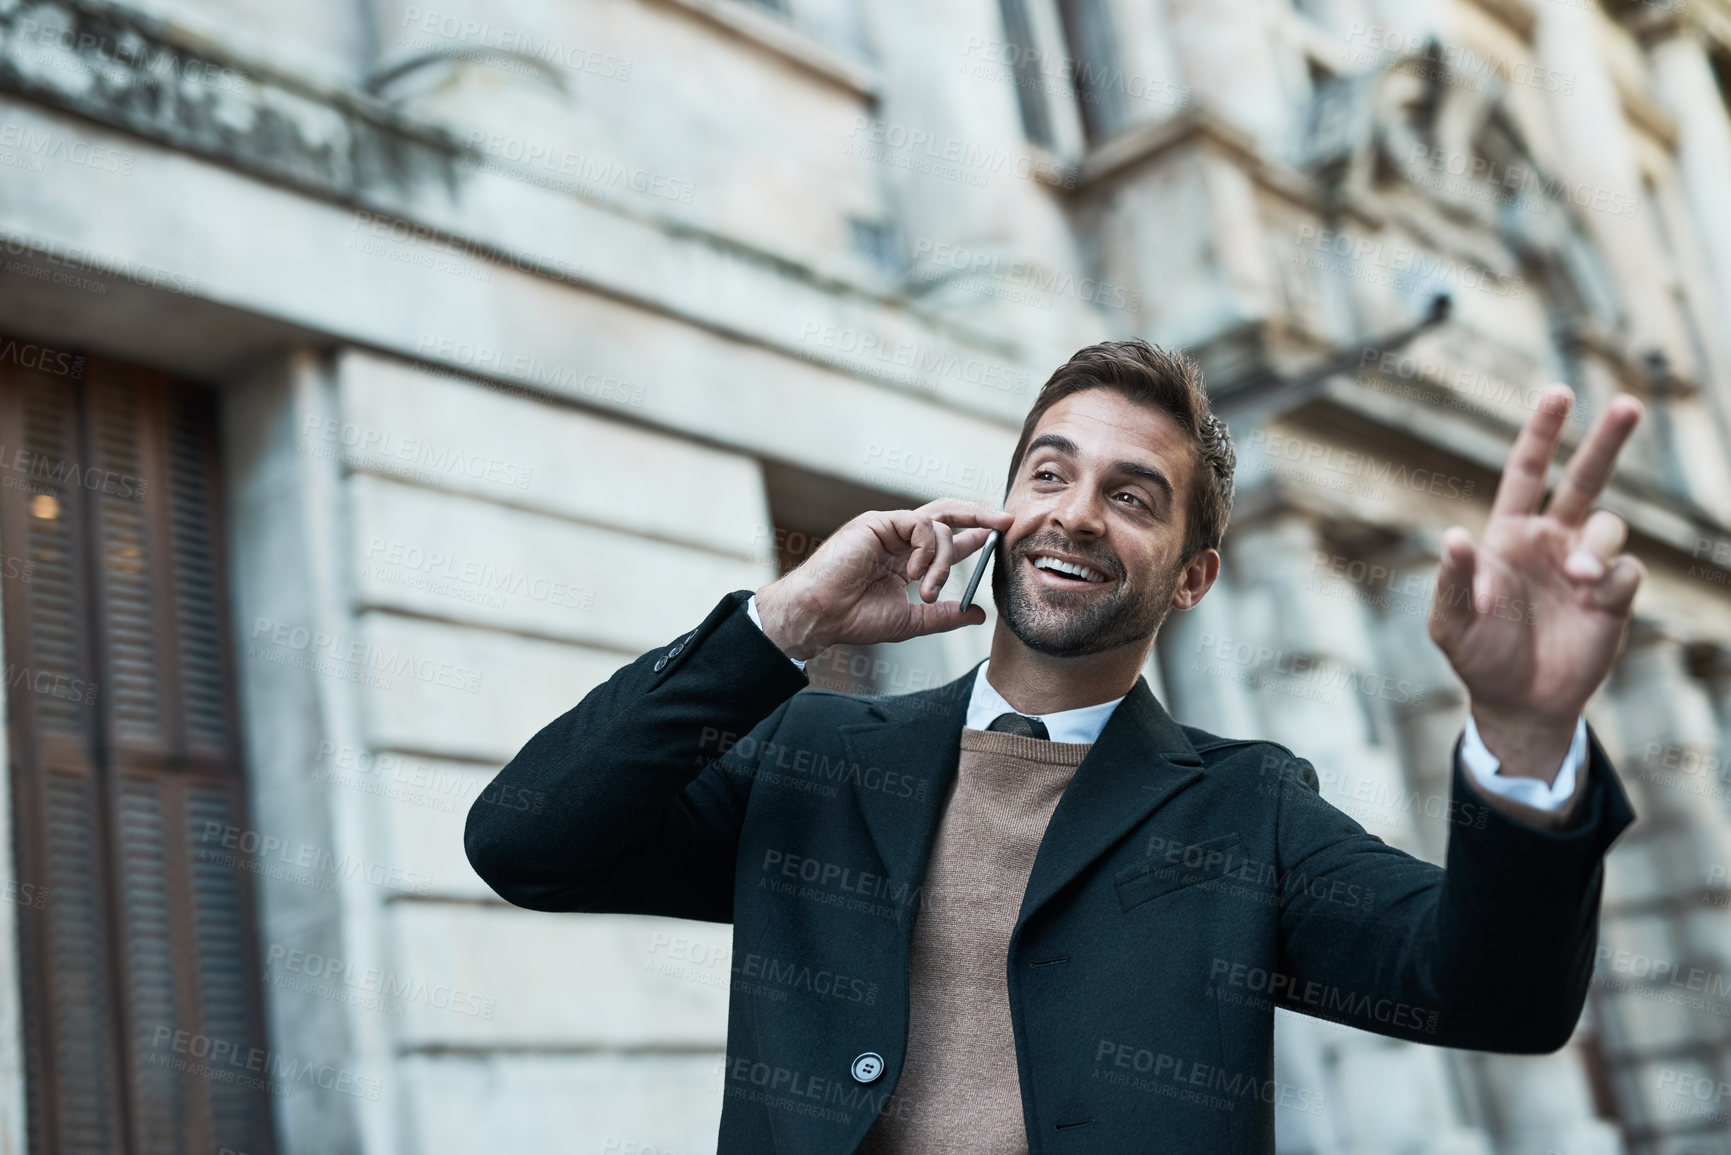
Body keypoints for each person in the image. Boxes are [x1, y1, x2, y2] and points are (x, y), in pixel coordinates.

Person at [465, 340, 1642, 1154]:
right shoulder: (813, 754)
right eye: (1050, 473)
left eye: (1134, 497)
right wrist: (786, 625)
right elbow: (528, 841)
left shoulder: (1245, 810)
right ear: (1006, 509)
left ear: (1193, 577)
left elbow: (1498, 995)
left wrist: (1528, 737)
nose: (1077, 512)